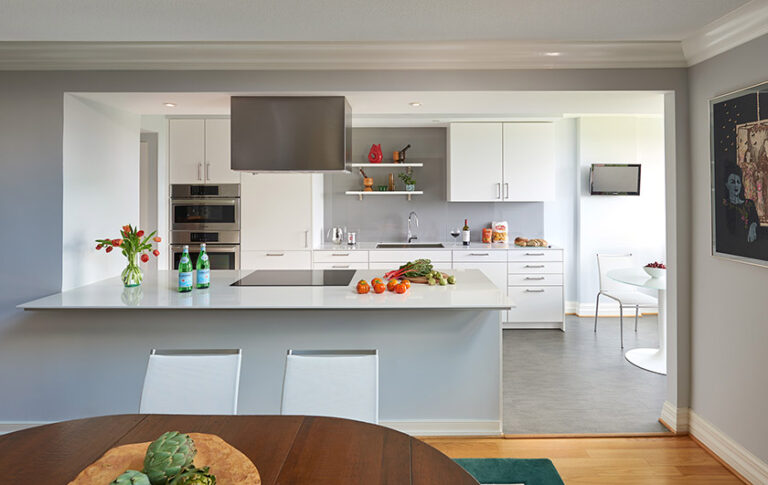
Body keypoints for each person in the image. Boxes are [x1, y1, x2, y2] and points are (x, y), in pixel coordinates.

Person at [722, 163, 759, 243]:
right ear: (727, 185)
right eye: (732, 182)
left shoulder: (749, 204)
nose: (736, 185)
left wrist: (753, 226)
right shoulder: (724, 205)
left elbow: (755, 221)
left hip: (749, 247)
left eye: (738, 182)